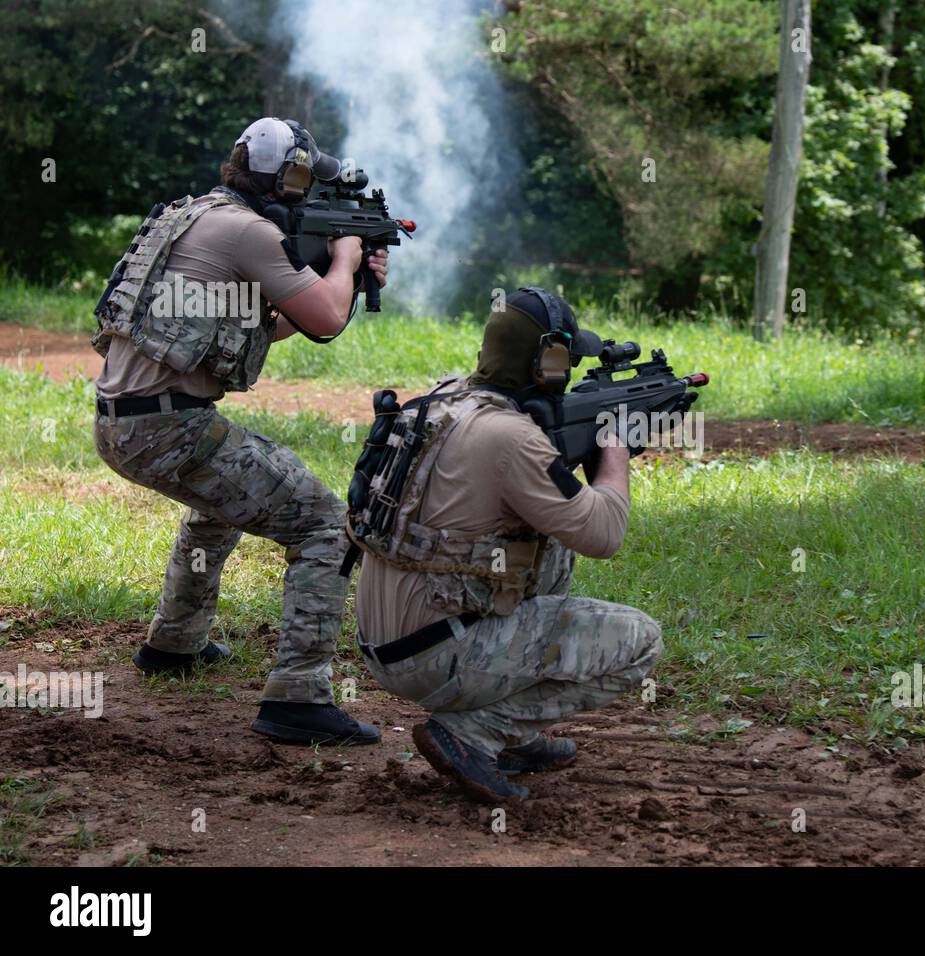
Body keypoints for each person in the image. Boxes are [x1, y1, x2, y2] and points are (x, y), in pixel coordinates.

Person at [92, 117, 386, 745]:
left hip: (127, 424)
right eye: (305, 180)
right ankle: (298, 699)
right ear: (293, 177)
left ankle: (174, 644)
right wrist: (345, 262)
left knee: (220, 502)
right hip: (170, 428)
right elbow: (327, 319)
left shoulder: (199, 216)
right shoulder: (250, 232)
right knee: (326, 524)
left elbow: (273, 324)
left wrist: (345, 278)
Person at [350, 288, 663, 802]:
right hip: (437, 656)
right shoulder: (512, 437)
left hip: (384, 643)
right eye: (568, 360)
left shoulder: (442, 399)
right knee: (641, 642)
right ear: (548, 362)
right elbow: (605, 534)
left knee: (553, 544)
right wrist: (615, 452)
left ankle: (511, 736)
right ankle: (476, 733)